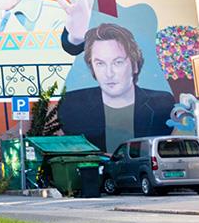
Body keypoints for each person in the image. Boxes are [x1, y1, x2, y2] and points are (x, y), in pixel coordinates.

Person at [56, 23, 175, 151]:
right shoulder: (72, 105)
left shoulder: (163, 103)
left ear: (135, 65)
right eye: (100, 63)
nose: (109, 73)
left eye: (118, 62)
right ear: (92, 68)